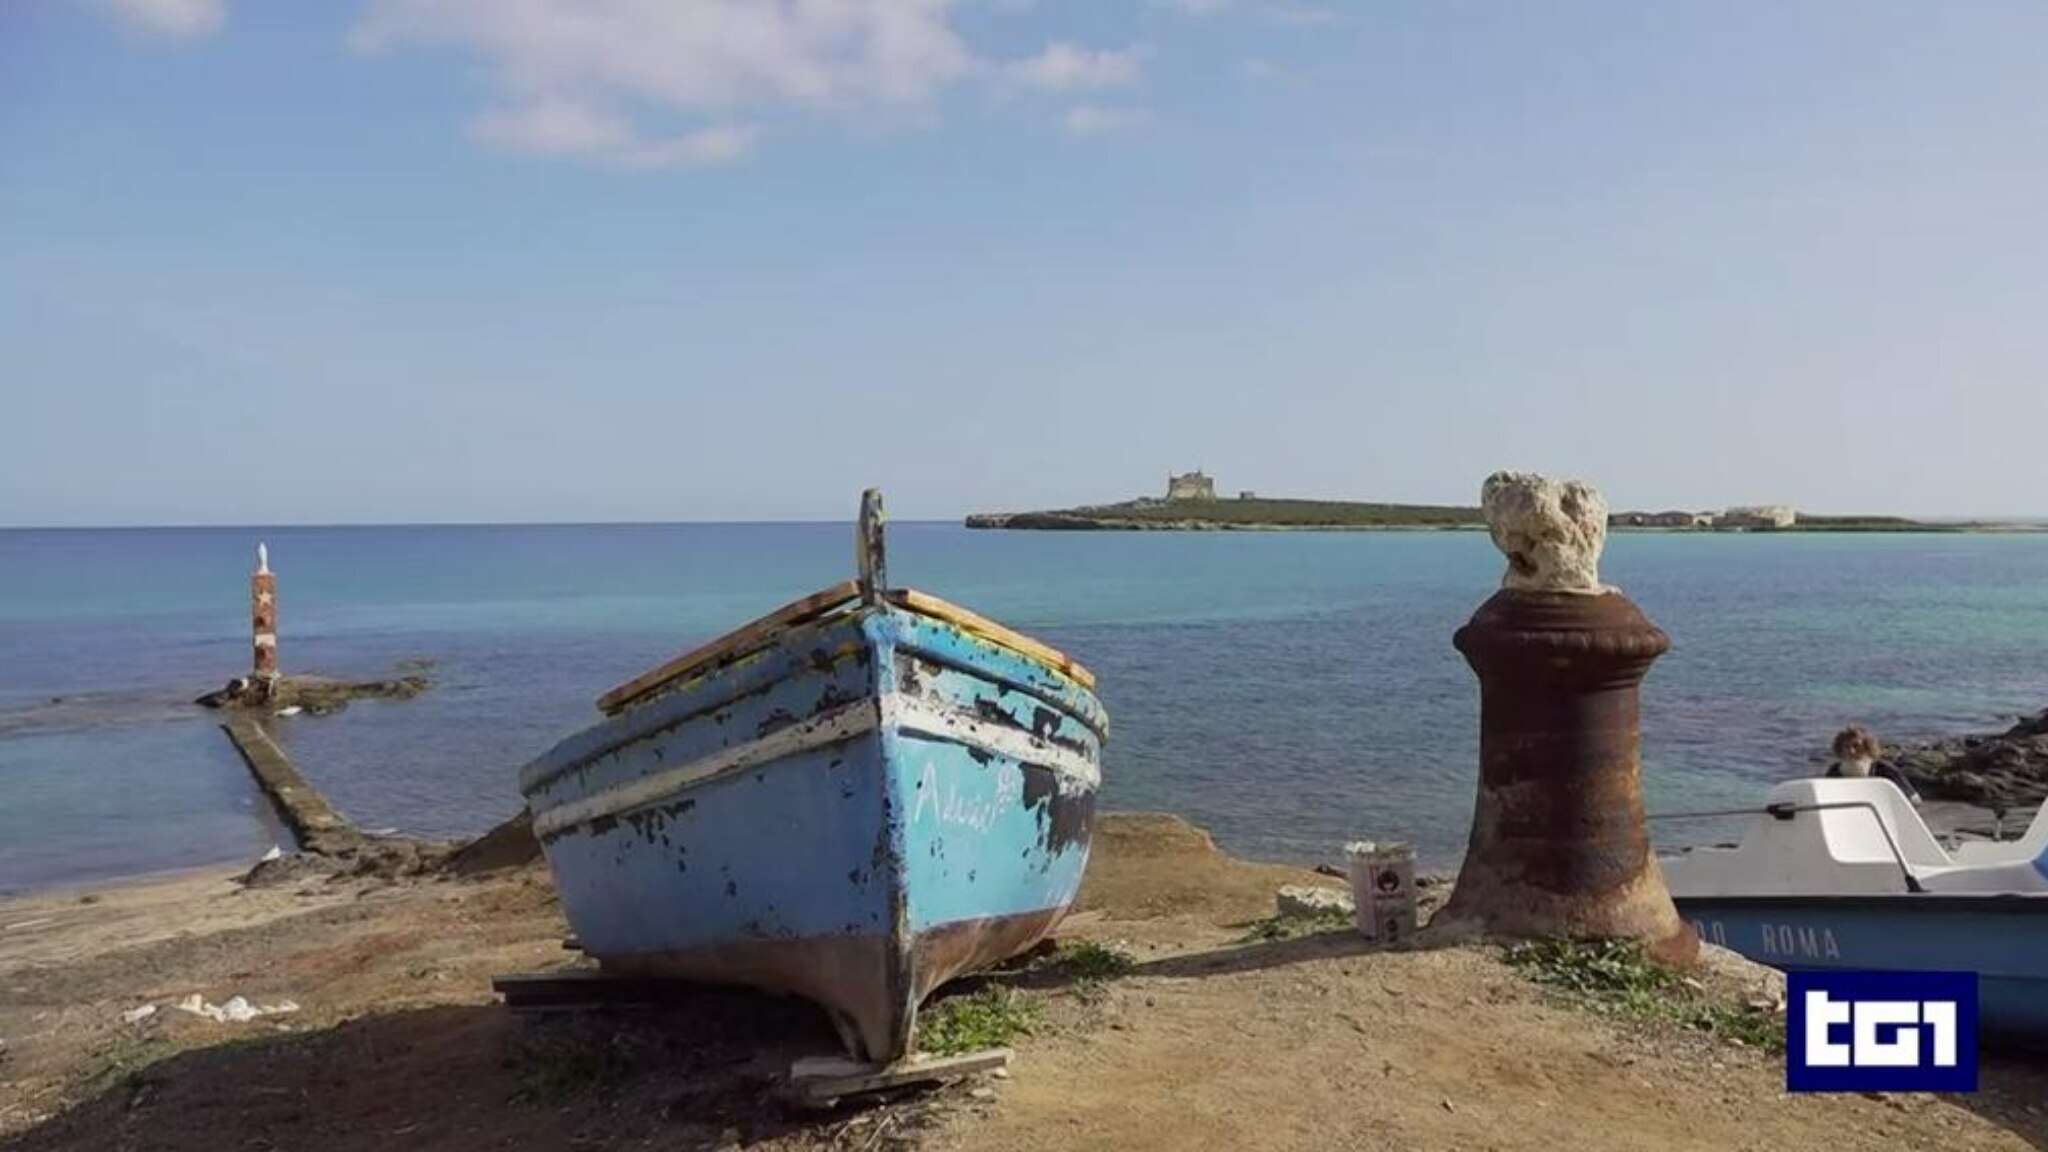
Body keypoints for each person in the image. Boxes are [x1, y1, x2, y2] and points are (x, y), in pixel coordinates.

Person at [1824, 725, 1921, 803]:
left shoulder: (1884, 769)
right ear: (1840, 748)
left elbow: (1914, 799)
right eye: (1847, 747)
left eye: (1856, 746)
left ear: (1867, 747)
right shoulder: (1835, 771)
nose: (1851, 751)